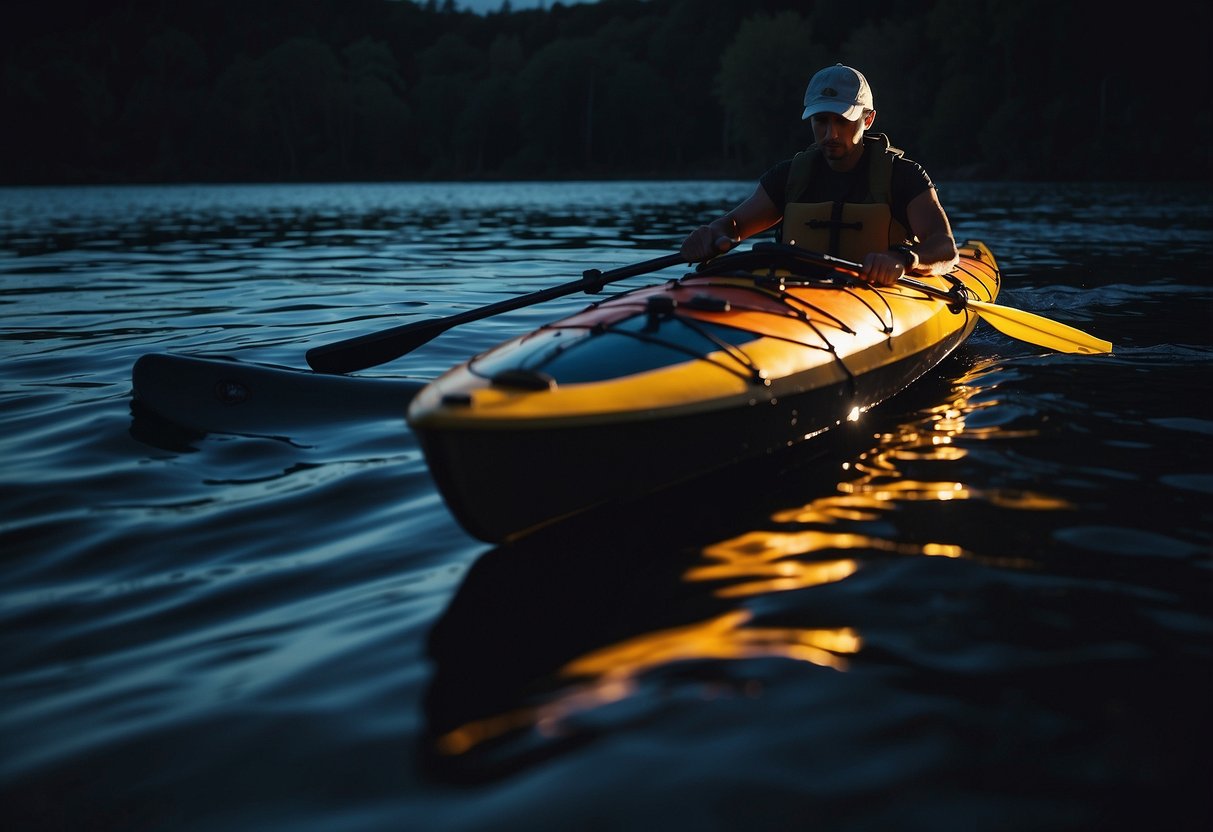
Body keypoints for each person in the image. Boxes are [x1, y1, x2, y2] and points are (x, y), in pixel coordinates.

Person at [680, 63, 959, 286]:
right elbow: (734, 226)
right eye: (821, 120)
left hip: (877, 298)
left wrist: (905, 259)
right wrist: (711, 234)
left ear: (868, 119)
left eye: (842, 121)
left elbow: (945, 248)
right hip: (801, 294)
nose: (831, 134)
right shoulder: (790, 176)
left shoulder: (902, 176)